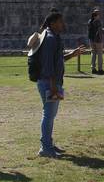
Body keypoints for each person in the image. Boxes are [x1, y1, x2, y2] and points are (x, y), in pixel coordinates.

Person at [29, 10, 87, 157]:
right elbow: (48, 65)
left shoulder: (54, 37)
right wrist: (53, 85)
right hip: (50, 83)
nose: (63, 24)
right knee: (48, 115)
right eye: (60, 21)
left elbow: (57, 60)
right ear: (53, 23)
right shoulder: (50, 39)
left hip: (52, 82)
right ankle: (45, 148)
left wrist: (72, 55)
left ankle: (49, 144)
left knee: (50, 114)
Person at [87, 9, 104, 75]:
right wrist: (103, 30)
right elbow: (99, 31)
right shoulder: (97, 21)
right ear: (97, 15)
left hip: (91, 39)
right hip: (97, 40)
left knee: (93, 54)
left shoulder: (89, 21)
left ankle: (93, 68)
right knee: (100, 54)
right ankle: (100, 69)